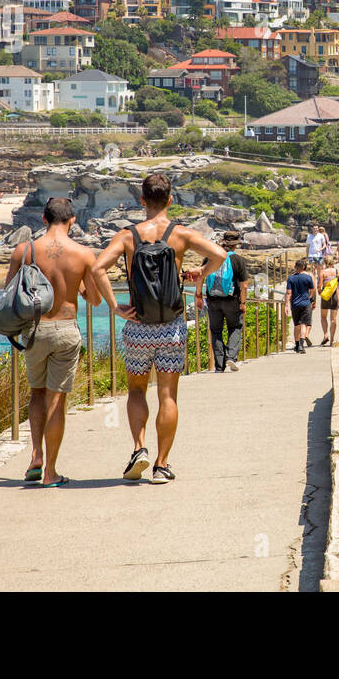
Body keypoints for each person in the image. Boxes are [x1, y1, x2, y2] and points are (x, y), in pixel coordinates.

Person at [91, 174, 226, 485]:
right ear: (170, 200)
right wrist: (200, 272)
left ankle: (139, 449)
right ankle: (162, 466)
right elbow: (219, 255)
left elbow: (98, 268)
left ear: (142, 201)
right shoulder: (180, 234)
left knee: (136, 390)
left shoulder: (127, 236)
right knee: (168, 394)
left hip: (138, 325)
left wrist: (115, 306)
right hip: (172, 327)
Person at [3, 197, 101, 488]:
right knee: (57, 399)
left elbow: (9, 292)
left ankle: (35, 455)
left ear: (43, 220)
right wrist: (79, 287)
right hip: (66, 329)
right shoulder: (83, 254)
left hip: (34, 331)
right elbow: (95, 299)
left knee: (36, 394)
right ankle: (51, 473)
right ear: (72, 221)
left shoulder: (24, 250)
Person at [200, 230, 251, 372]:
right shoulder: (238, 260)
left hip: (212, 300)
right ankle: (231, 357)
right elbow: (244, 285)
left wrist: (198, 295)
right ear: (235, 245)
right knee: (235, 327)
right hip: (232, 300)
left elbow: (200, 276)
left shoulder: (210, 258)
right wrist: (242, 303)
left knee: (216, 330)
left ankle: (219, 365)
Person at [285, 258, 315, 354]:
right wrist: (309, 298)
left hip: (294, 304)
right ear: (304, 267)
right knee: (304, 324)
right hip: (306, 303)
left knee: (296, 325)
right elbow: (312, 290)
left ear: (295, 267)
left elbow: (289, 293)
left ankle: (297, 344)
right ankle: (301, 345)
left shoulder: (291, 278)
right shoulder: (308, 277)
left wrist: (286, 305)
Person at [318, 254, 339, 347]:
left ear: (325, 262)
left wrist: (320, 292)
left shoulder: (322, 272)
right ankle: (332, 339)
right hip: (335, 295)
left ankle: (325, 334)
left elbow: (319, 286)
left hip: (326, 295)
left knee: (323, 317)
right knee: (333, 319)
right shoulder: (337, 271)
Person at [306, 223, 328, 291]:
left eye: (316, 228)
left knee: (319, 270)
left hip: (319, 255)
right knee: (312, 269)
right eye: (314, 228)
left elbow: (324, 245)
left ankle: (319, 283)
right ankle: (313, 284)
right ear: (312, 229)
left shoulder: (321, 236)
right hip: (311, 255)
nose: (315, 229)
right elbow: (307, 246)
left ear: (318, 229)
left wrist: (320, 249)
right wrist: (307, 256)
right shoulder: (309, 236)